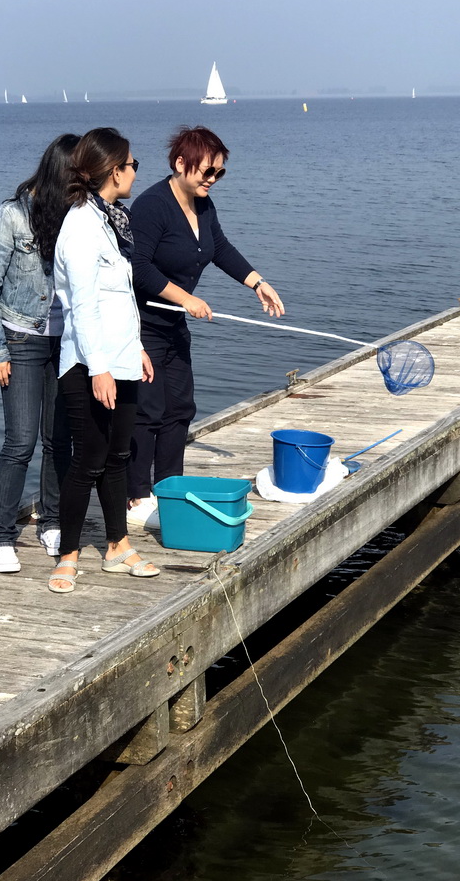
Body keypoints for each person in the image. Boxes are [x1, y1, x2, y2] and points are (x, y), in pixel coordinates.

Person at [127, 125, 284, 527]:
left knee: (180, 408)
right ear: (181, 164)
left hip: (174, 324)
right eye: (207, 172)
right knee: (148, 411)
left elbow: (220, 248)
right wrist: (187, 298)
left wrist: (257, 283)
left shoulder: (204, 206)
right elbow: (138, 268)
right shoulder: (151, 207)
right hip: (141, 324)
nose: (212, 180)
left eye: (219, 173)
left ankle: (169, 488)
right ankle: (136, 498)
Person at [50, 127, 157, 593]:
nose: (136, 171)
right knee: (88, 460)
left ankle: (117, 545)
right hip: (88, 365)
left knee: (118, 456)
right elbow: (84, 304)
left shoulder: (111, 219)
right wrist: (100, 368)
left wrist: (136, 348)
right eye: (133, 164)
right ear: (114, 170)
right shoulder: (80, 226)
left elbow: (120, 300)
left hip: (121, 359)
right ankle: (68, 555)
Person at [0, 134, 79, 573]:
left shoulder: (74, 217)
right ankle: (1, 536)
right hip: (19, 340)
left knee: (59, 441)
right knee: (20, 442)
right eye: (78, 178)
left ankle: (51, 520)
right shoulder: (11, 216)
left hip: (65, 341)